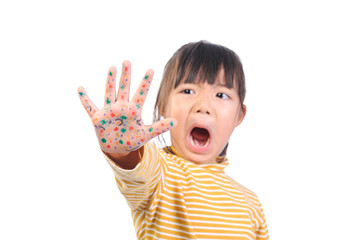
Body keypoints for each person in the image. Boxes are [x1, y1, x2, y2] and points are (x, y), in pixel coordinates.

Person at [78, 41, 269, 240]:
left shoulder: (251, 204)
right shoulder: (160, 173)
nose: (203, 106)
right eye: (188, 91)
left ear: (239, 115)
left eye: (221, 95)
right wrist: (122, 151)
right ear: (162, 106)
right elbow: (137, 169)